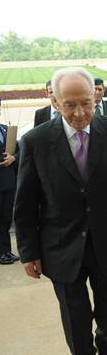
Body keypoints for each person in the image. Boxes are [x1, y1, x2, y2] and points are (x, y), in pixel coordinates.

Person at [14, 67, 107, 355]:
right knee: (75, 322)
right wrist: (29, 252)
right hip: (60, 247)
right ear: (55, 101)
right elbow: (25, 204)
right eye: (70, 105)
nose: (79, 113)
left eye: (86, 103)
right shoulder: (35, 142)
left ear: (95, 97)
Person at [0, 99, 19, 265]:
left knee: (6, 219)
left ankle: (6, 251)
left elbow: (19, 151)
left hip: (7, 182)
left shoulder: (5, 129)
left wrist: (14, 157)